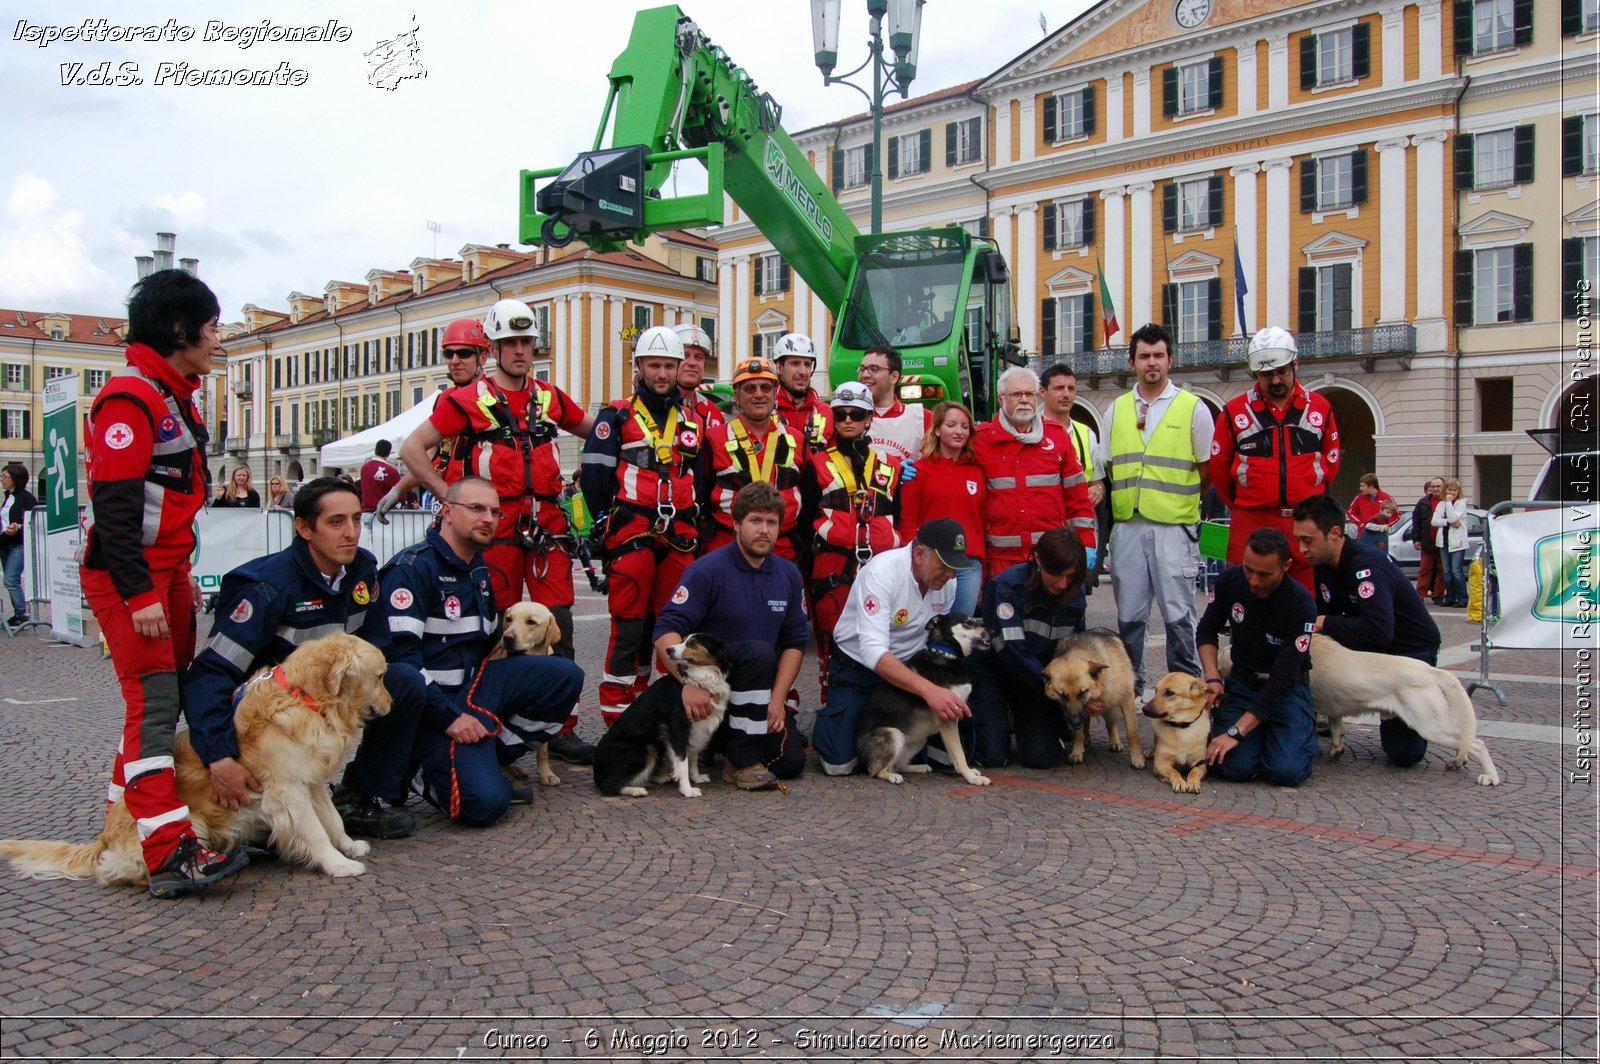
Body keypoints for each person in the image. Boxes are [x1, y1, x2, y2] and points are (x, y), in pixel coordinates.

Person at [80, 268, 248, 898]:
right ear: (179, 330)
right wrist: (140, 595)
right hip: (134, 577)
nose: (217, 338)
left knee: (163, 704)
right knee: (152, 711)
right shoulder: (131, 398)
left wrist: (174, 582)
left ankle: (122, 826)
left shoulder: (168, 390)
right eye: (210, 327)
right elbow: (116, 513)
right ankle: (169, 851)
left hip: (165, 573)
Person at [183, 477, 423, 839]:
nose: (351, 532)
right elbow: (209, 675)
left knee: (402, 682)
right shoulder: (267, 587)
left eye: (357, 519)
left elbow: (378, 648)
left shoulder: (362, 572)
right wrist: (221, 757)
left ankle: (358, 797)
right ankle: (271, 813)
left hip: (314, 709)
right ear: (303, 528)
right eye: (336, 521)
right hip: (265, 722)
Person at [365, 477, 585, 827]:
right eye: (477, 508)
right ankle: (413, 766)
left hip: (471, 694)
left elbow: (485, 644)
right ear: (447, 512)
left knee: (564, 675)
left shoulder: (478, 570)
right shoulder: (411, 570)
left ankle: (491, 754)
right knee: (485, 805)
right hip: (429, 708)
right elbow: (400, 664)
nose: (489, 518)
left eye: (495, 511)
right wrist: (450, 719)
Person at [397, 300, 594, 658]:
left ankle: (560, 707)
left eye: (526, 342)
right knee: (496, 622)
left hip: (546, 525)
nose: (520, 350)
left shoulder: (549, 397)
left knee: (559, 621)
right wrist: (449, 498)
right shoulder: (469, 400)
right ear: (494, 348)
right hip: (494, 526)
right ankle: (493, 702)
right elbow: (412, 448)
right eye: (510, 343)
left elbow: (598, 434)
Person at [581, 325, 708, 721]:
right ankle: (616, 714)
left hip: (680, 536)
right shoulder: (616, 416)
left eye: (669, 366)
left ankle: (666, 706)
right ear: (639, 366)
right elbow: (595, 478)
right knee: (630, 625)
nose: (663, 374)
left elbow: (699, 479)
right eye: (654, 365)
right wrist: (608, 521)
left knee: (674, 626)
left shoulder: (692, 418)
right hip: (633, 530)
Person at [653, 482, 809, 790]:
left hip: (758, 695)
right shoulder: (707, 570)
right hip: (710, 692)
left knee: (790, 762)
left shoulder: (788, 575)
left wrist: (778, 701)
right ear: (736, 524)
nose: (764, 530)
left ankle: (722, 743)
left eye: (771, 522)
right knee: (758, 651)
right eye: (755, 521)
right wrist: (689, 684)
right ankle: (740, 762)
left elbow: (794, 643)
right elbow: (665, 631)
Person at [1097, 322, 1215, 693]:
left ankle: (1184, 689)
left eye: (1159, 356)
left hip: (1173, 527)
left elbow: (1206, 470)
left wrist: (1175, 501)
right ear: (1132, 361)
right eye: (1144, 356)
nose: (1152, 363)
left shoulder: (1193, 408)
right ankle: (1129, 689)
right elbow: (1111, 466)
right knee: (1129, 616)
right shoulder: (1115, 410)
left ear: (1171, 360)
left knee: (1179, 615)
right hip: (1129, 525)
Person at [811, 518, 976, 776]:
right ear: (920, 554)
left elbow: (936, 635)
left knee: (943, 760)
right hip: (859, 670)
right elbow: (874, 652)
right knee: (839, 765)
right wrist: (930, 691)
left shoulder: (947, 583)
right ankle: (831, 720)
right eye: (945, 565)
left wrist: (942, 687)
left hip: (910, 672)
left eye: (956, 568)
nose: (951, 575)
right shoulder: (881, 573)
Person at [1292, 493, 1439, 768]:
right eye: (1299, 540)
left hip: (1409, 652)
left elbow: (1379, 629)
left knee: (1405, 755)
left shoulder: (1367, 565)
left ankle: (1434, 698)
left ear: (1335, 533)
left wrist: (1326, 623)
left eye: (1307, 540)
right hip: (1371, 650)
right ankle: (1320, 714)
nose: (1301, 549)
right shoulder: (1322, 566)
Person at [1210, 325, 1340, 592]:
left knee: (1308, 602)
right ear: (1256, 373)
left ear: (1295, 365)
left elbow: (1331, 461)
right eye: (1267, 375)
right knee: (1247, 598)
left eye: (1282, 372)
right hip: (1252, 519)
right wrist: (1242, 503)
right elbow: (1219, 468)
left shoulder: (1320, 408)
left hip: (1305, 520)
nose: (1276, 381)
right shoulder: (1234, 412)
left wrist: (1311, 496)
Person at [798, 382, 904, 700]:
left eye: (855, 415)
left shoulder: (890, 465)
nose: (847, 421)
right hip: (832, 563)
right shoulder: (817, 464)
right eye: (841, 414)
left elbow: (900, 517)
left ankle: (877, 707)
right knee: (833, 639)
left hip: (879, 564)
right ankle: (835, 710)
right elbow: (804, 522)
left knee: (880, 637)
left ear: (868, 418)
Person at [1197, 528, 1319, 787]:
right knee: (1231, 766)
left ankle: (1291, 736)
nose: (1253, 581)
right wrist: (1213, 678)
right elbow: (1206, 631)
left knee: (1286, 772)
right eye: (1248, 570)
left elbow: (1283, 679)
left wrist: (1235, 732)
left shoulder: (1300, 604)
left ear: (1286, 566)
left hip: (1285, 691)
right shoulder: (1230, 581)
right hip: (1244, 685)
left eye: (1264, 574)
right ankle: (1261, 736)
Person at [964, 528, 1088, 769]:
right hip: (996, 673)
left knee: (1041, 758)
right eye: (1056, 574)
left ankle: (1022, 723)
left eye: (1070, 576)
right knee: (992, 757)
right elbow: (1013, 654)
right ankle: (977, 724)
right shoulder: (1007, 588)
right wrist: (1057, 692)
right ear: (1038, 561)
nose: (1063, 584)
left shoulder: (1075, 594)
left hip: (1039, 678)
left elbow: (1076, 650)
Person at [973, 365, 1097, 578]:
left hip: (1051, 557)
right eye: (1016, 394)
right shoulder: (981, 440)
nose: (1024, 400)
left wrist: (1086, 542)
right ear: (1001, 399)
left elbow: (1077, 497)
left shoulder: (1058, 437)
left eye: (1029, 394)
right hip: (1001, 559)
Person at [373, 318, 492, 523]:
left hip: (483, 504)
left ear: (482, 357)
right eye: (449, 353)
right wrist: (399, 489)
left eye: (463, 353)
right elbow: (430, 455)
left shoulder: (494, 397)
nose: (454, 360)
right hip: (454, 506)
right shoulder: (446, 399)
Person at [703, 356, 804, 559]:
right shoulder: (714, 438)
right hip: (728, 548)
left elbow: (807, 494)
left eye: (765, 388)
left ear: (775, 394)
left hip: (782, 548)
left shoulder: (797, 439)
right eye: (750, 388)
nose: (759, 394)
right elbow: (702, 493)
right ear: (737, 396)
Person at [898, 401, 986, 616]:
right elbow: (909, 521)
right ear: (936, 429)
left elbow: (982, 522)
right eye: (951, 425)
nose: (959, 432)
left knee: (959, 632)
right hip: (931, 563)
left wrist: (984, 571)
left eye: (965, 427)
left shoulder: (977, 472)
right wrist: (913, 564)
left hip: (968, 565)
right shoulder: (919, 470)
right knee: (924, 628)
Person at [857, 345, 931, 464]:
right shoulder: (847, 416)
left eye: (874, 369)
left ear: (894, 377)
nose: (865, 375)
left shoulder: (922, 418)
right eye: (862, 369)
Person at [773, 332, 834, 454]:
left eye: (807, 364)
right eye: (795, 363)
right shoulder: (765, 410)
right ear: (779, 367)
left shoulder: (825, 412)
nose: (803, 371)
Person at [2, 462, 38, 628]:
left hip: (20, 543)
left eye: (5, 476)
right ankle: (18, 613)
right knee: (9, 580)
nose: (2, 479)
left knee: (11, 578)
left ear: (15, 479)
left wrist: (18, 526)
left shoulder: (26, 498)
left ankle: (21, 613)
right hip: (5, 543)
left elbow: (34, 520)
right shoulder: (7, 497)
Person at [673, 323, 726, 434]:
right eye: (685, 355)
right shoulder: (645, 406)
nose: (692, 363)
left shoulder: (713, 413)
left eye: (698, 357)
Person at [1431, 478, 1471, 608]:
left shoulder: (1460, 504)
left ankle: (1462, 598)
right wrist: (1447, 522)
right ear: (1445, 490)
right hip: (1444, 540)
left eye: (1455, 490)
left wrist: (1449, 505)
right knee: (1446, 572)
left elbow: (1455, 517)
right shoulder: (1440, 504)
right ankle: (1450, 596)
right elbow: (1435, 521)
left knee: (1456, 571)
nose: (1452, 492)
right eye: (1450, 489)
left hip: (1457, 542)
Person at [1409, 476, 1447, 604]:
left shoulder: (1448, 503)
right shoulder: (1423, 503)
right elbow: (1416, 523)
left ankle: (1439, 595)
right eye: (1433, 487)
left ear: (1443, 487)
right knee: (1425, 569)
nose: (1435, 489)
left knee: (1442, 570)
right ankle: (1420, 595)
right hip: (1427, 542)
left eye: (1438, 486)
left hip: (1444, 543)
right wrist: (1416, 539)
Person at [1345, 473, 1398, 552]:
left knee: (1379, 559)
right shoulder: (1359, 498)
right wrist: (1361, 524)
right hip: (1364, 536)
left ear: (1371, 486)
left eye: (1363, 486)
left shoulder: (1386, 498)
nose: (1360, 488)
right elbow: (1351, 512)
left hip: (1380, 538)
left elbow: (1397, 514)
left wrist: (1386, 525)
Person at [360, 439, 400, 514]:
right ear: (388, 454)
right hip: (386, 512)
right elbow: (401, 494)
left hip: (367, 511)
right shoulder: (392, 471)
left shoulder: (364, 468)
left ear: (375, 451)